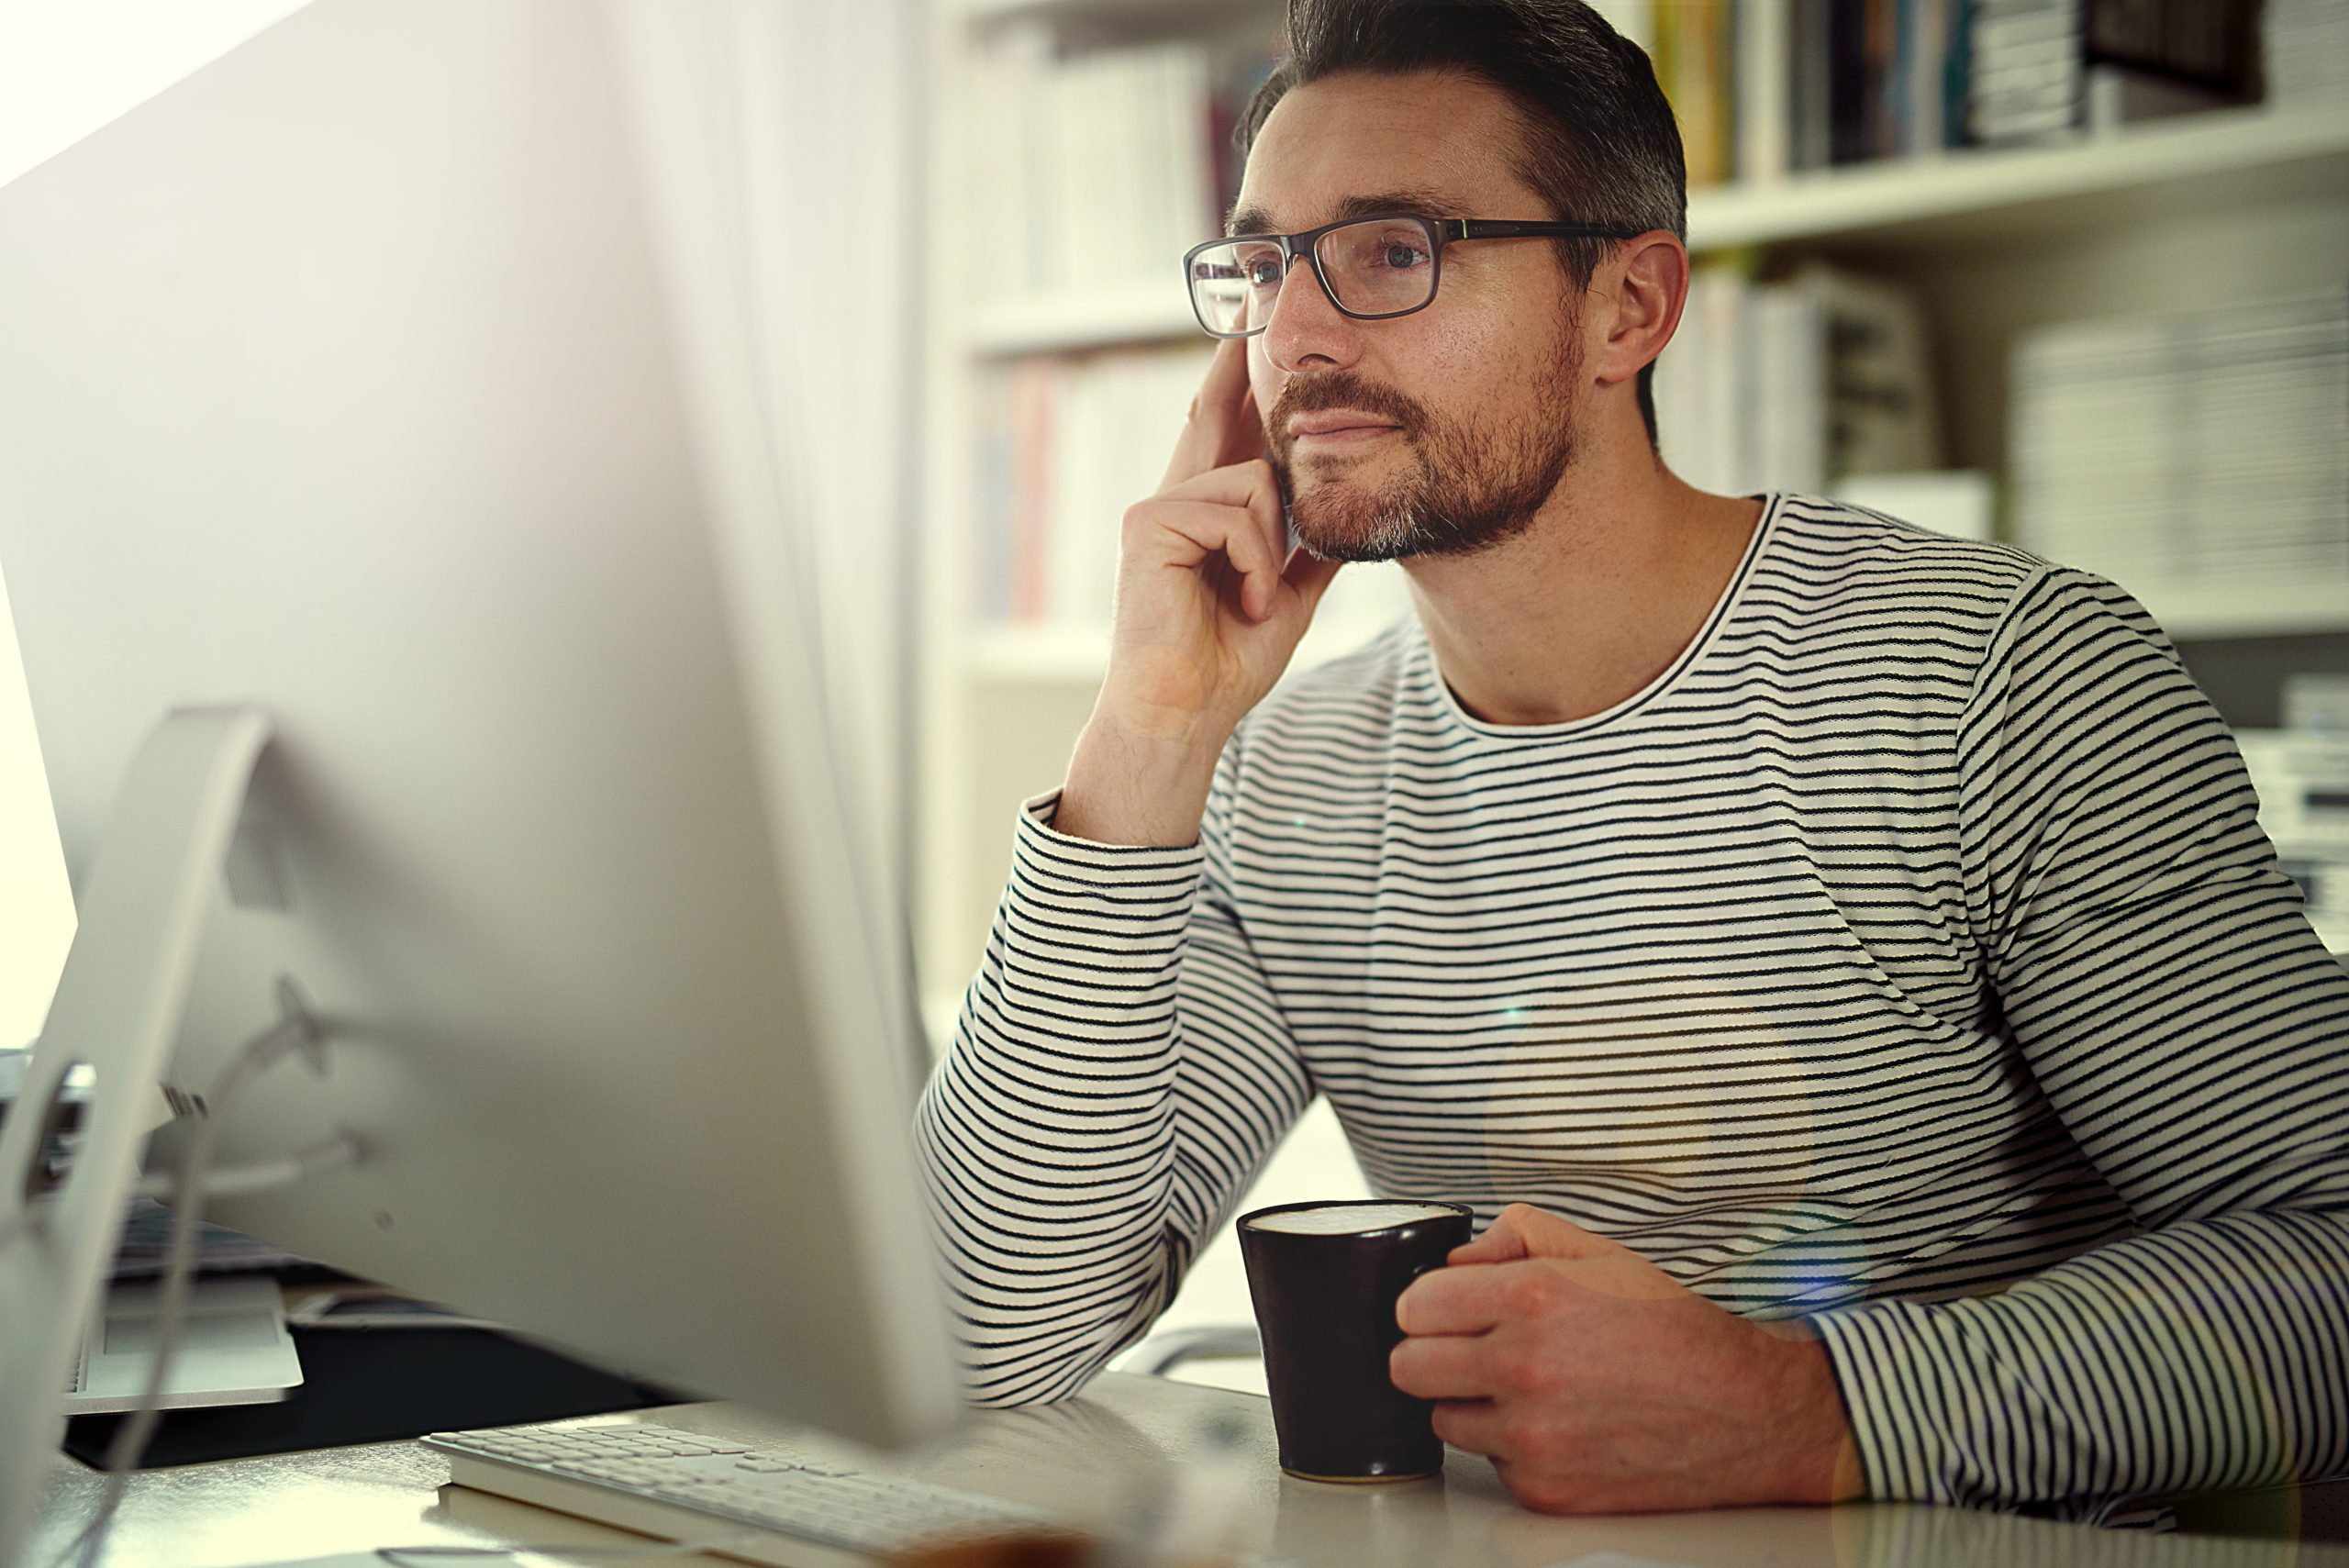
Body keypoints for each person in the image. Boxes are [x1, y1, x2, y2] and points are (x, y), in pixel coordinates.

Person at [914, 0, 2349, 1528]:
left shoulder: (1995, 680)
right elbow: (975, 1340)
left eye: (1390, 248)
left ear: (1630, 306)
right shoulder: (1288, 774)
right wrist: (1149, 733)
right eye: (1264, 265)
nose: (1298, 334)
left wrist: (1811, 1410)